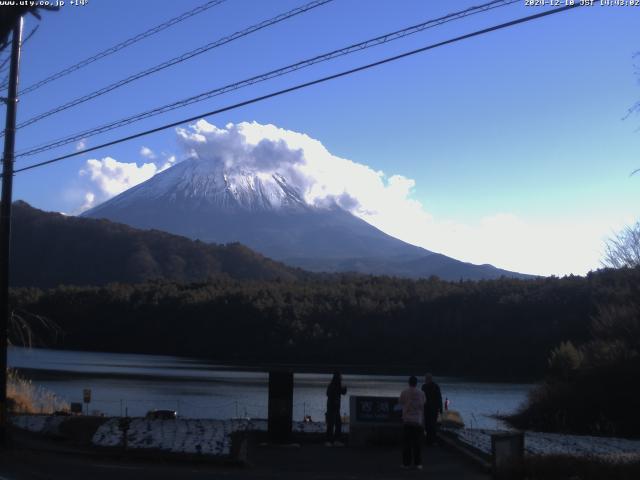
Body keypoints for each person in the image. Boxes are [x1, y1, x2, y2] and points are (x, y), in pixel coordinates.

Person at [399, 375, 426, 470]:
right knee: (417, 443)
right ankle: (418, 463)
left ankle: (406, 463)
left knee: (407, 443)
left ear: (409, 382)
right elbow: (423, 403)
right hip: (417, 421)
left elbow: (401, 402)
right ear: (416, 383)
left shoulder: (404, 392)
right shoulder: (421, 393)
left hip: (407, 420)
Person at [325, 371, 347, 446]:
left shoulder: (335, 385)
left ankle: (334, 440)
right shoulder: (333, 385)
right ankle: (329, 440)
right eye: (340, 377)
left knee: (337, 424)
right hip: (332, 407)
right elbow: (329, 394)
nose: (341, 379)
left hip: (335, 407)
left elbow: (343, 392)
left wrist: (344, 388)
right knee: (332, 424)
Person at [421, 373, 443, 446]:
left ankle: (429, 440)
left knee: (430, 424)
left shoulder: (424, 387)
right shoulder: (435, 386)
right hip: (432, 408)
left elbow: (439, 398)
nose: (426, 380)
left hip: (429, 408)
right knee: (430, 424)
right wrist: (441, 408)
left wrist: (440, 408)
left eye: (427, 379)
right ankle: (431, 440)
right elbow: (439, 398)